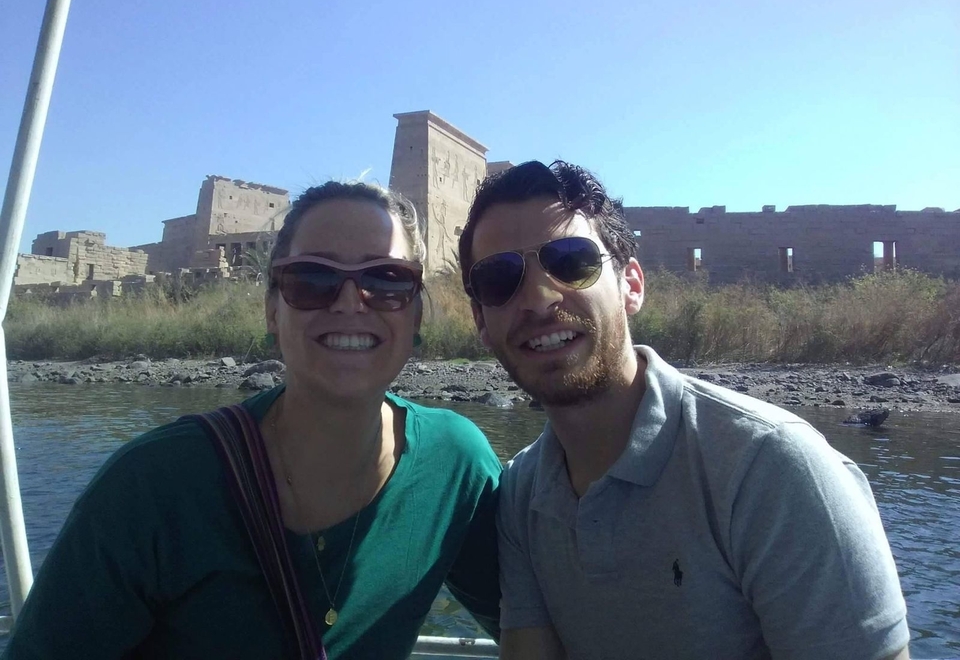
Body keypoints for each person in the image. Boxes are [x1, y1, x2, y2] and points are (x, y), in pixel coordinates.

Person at [4, 182, 501, 659]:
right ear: (271, 312)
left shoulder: (456, 465)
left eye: (387, 280)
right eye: (312, 279)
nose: (351, 302)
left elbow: (531, 619)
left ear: (416, 316)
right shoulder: (152, 486)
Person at [457, 160, 910, 660]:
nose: (539, 298)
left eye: (570, 260)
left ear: (631, 285)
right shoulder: (522, 492)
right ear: (481, 320)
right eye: (500, 278)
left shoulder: (772, 467)